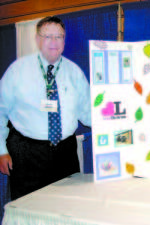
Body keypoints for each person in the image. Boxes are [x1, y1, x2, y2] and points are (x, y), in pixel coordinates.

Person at [0, 16, 91, 200]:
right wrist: (1, 151)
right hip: (27, 153)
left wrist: (117, 121)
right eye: (47, 36)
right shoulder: (17, 71)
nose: (54, 42)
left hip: (65, 153)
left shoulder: (74, 72)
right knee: (29, 206)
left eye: (59, 36)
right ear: (37, 39)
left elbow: (87, 112)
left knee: (67, 206)